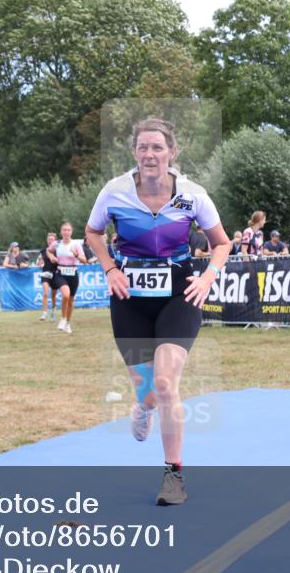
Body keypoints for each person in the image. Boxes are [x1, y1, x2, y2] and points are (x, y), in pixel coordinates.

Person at [85, 118, 229, 506]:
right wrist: (110, 269)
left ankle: (173, 475)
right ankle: (142, 407)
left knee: (166, 384)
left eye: (158, 148)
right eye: (143, 148)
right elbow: (93, 233)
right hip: (129, 297)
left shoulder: (192, 195)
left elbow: (222, 243)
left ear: (172, 152)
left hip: (179, 293)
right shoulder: (114, 192)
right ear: (134, 152)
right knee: (149, 393)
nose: (150, 155)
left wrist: (208, 277)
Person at [49, 222, 88, 333]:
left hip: (73, 274)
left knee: (70, 301)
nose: (66, 232)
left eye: (68, 230)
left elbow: (84, 260)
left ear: (71, 232)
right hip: (61, 273)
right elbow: (48, 251)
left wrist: (76, 255)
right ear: (61, 232)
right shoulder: (56, 244)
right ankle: (63, 318)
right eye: (64, 230)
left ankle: (67, 324)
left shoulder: (76, 245)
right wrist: (52, 257)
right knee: (65, 295)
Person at [37, 232, 58, 321]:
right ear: (47, 240)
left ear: (55, 241)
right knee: (45, 293)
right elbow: (39, 262)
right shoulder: (43, 251)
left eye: (52, 239)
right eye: (49, 239)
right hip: (45, 273)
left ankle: (53, 311)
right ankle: (44, 313)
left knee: (53, 295)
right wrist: (40, 264)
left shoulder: (58, 250)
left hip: (55, 274)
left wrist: (56, 261)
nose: (50, 241)